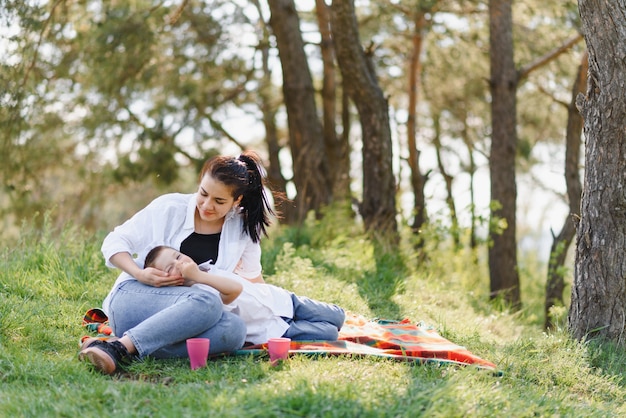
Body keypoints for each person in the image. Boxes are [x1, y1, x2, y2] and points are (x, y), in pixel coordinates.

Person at [79, 151, 275, 374]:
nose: (207, 205)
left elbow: (253, 281)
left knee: (235, 330)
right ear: (199, 183)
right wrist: (139, 273)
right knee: (208, 300)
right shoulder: (169, 207)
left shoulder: (241, 227)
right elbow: (114, 242)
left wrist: (274, 308)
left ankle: (118, 346)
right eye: (203, 193)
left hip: (185, 317)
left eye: (219, 201)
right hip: (135, 297)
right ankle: (120, 347)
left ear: (236, 200)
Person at [145, 245, 346, 345]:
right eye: (170, 268)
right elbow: (233, 291)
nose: (179, 264)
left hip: (282, 301)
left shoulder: (209, 267)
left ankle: (324, 316)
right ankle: (317, 326)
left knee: (338, 316)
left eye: (178, 257)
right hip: (274, 330)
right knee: (330, 333)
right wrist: (196, 277)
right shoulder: (198, 297)